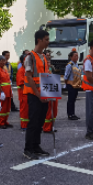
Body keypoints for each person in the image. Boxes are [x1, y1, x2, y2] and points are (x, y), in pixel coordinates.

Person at [23, 30, 51, 160]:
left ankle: (36, 145)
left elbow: (46, 77)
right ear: (39, 40)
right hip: (34, 95)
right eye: (46, 39)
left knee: (40, 122)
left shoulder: (44, 57)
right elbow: (29, 77)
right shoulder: (30, 57)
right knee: (33, 122)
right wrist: (39, 95)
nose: (48, 41)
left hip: (44, 95)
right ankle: (28, 149)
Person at [0, 55, 13, 129]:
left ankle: (5, 121)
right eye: (2, 61)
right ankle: (0, 122)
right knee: (2, 108)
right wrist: (1, 92)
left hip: (7, 91)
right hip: (3, 92)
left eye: (4, 60)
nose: (4, 62)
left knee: (7, 108)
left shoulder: (4, 69)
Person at [43, 51, 58, 133]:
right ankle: (47, 127)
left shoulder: (50, 70)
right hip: (48, 94)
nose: (48, 64)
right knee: (49, 111)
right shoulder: (44, 72)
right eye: (47, 62)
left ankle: (51, 126)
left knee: (54, 111)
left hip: (53, 92)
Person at [64, 51, 81, 120]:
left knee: (73, 100)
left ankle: (73, 113)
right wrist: (67, 83)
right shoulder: (69, 65)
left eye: (77, 55)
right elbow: (66, 76)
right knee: (70, 100)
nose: (77, 57)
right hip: (71, 85)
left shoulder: (76, 65)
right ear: (71, 57)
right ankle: (70, 114)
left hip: (76, 85)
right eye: (75, 56)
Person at [17, 54, 29, 130]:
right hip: (24, 94)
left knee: (29, 110)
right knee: (24, 110)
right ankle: (24, 125)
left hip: (29, 94)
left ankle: (28, 125)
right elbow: (21, 84)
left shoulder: (28, 70)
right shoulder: (21, 71)